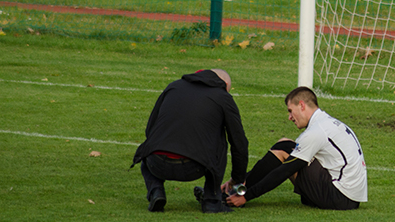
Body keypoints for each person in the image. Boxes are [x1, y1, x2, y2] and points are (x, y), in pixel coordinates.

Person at [224, 86, 367, 210]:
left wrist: (247, 197)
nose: (290, 117)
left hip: (340, 198)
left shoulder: (317, 131)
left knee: (284, 153)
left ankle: (237, 192)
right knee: (285, 144)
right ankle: (236, 186)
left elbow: (284, 171)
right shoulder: (326, 122)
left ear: (302, 105)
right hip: (351, 196)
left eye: (291, 111)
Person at [131, 69, 248, 213]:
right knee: (220, 140)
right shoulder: (223, 97)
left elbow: (150, 129)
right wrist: (237, 179)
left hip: (156, 164)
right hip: (193, 167)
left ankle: (156, 191)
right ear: (223, 85)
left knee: (151, 146)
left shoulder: (173, 86)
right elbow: (239, 142)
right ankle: (212, 201)